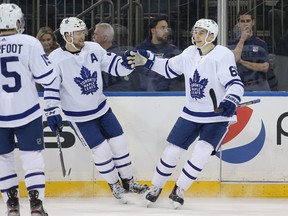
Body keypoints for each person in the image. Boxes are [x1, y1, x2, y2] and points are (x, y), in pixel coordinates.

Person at [126, 19, 244, 208]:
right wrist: (147, 62)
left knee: (201, 153)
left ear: (211, 36)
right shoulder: (189, 53)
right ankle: (155, 188)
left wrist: (230, 100)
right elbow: (168, 68)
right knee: (172, 151)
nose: (196, 35)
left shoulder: (223, 55)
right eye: (195, 31)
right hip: (191, 113)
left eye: (201, 32)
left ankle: (179, 190)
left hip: (217, 117)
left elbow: (235, 84)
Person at [43, 17, 149, 203]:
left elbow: (115, 67)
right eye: (78, 33)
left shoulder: (94, 48)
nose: (83, 35)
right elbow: (51, 88)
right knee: (102, 151)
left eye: (83, 31)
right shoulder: (55, 59)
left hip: (102, 108)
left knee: (120, 144)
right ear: (67, 35)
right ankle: (115, 186)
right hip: (79, 117)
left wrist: (127, 63)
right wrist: (52, 111)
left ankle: (129, 181)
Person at [0, 3, 59, 216]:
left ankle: (12, 205)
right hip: (26, 110)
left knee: (3, 159)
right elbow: (49, 78)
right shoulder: (29, 43)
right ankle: (36, 205)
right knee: (32, 158)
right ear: (17, 22)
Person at [131, 15, 183, 91]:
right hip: (142, 95)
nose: (166, 31)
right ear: (153, 31)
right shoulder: (140, 50)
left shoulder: (173, 51)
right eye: (162, 28)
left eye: (167, 28)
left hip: (168, 96)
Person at [229, 9, 270, 91]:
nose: (245, 24)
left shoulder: (260, 43)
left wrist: (241, 62)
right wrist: (242, 39)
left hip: (259, 85)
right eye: (242, 21)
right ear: (238, 24)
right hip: (239, 86)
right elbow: (233, 60)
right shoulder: (232, 43)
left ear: (253, 22)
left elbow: (265, 67)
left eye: (248, 21)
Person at [92, 22, 130, 91]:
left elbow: (122, 86)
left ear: (104, 38)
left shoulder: (118, 59)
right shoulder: (92, 55)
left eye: (96, 34)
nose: (93, 37)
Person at [36, 26, 60, 92]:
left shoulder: (59, 53)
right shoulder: (34, 54)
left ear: (53, 39)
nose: (46, 43)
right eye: (43, 40)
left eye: (48, 39)